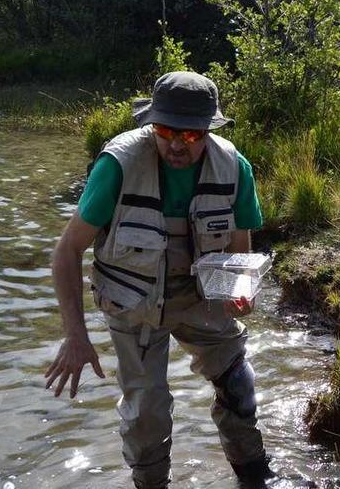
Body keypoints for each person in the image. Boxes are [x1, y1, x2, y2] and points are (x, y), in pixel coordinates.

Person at [43, 72, 274, 488]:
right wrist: (75, 335)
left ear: (208, 130)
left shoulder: (234, 166)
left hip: (199, 300)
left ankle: (255, 477)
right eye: (166, 131)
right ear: (151, 124)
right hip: (134, 304)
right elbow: (66, 251)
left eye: (190, 134)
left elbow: (240, 246)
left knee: (239, 387)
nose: (176, 144)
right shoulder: (118, 166)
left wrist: (241, 289)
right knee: (147, 411)